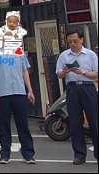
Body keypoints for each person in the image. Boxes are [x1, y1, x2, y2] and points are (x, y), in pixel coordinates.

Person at [0, 49, 36, 164]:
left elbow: (24, 70)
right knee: (4, 125)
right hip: (2, 93)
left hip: (19, 91)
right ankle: (5, 154)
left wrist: (30, 90)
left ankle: (28, 155)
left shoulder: (19, 50)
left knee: (23, 124)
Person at [55, 27, 98, 165]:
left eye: (75, 41)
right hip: (72, 88)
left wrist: (83, 72)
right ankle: (79, 155)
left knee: (94, 121)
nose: (72, 44)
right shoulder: (64, 56)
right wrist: (65, 70)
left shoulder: (90, 54)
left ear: (81, 39)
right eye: (69, 41)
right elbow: (58, 75)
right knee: (74, 121)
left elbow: (96, 74)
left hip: (87, 87)